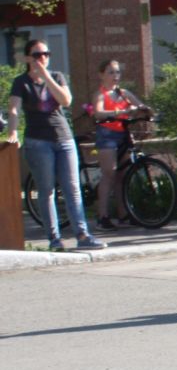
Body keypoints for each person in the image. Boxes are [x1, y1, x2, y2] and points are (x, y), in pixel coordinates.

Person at [7, 41, 103, 250]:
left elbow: (66, 100)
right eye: (37, 54)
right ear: (27, 58)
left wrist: (46, 76)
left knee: (72, 189)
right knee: (46, 190)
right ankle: (54, 239)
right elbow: (14, 109)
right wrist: (13, 132)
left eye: (46, 54)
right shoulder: (21, 82)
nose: (42, 58)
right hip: (38, 141)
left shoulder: (57, 77)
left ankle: (83, 235)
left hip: (64, 138)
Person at [88, 59, 149, 229]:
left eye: (117, 72)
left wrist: (147, 111)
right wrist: (119, 111)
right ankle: (103, 216)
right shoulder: (100, 94)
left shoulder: (124, 93)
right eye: (111, 72)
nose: (115, 76)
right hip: (107, 134)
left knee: (122, 174)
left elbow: (140, 105)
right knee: (110, 173)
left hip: (123, 133)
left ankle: (124, 214)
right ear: (101, 75)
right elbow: (98, 113)